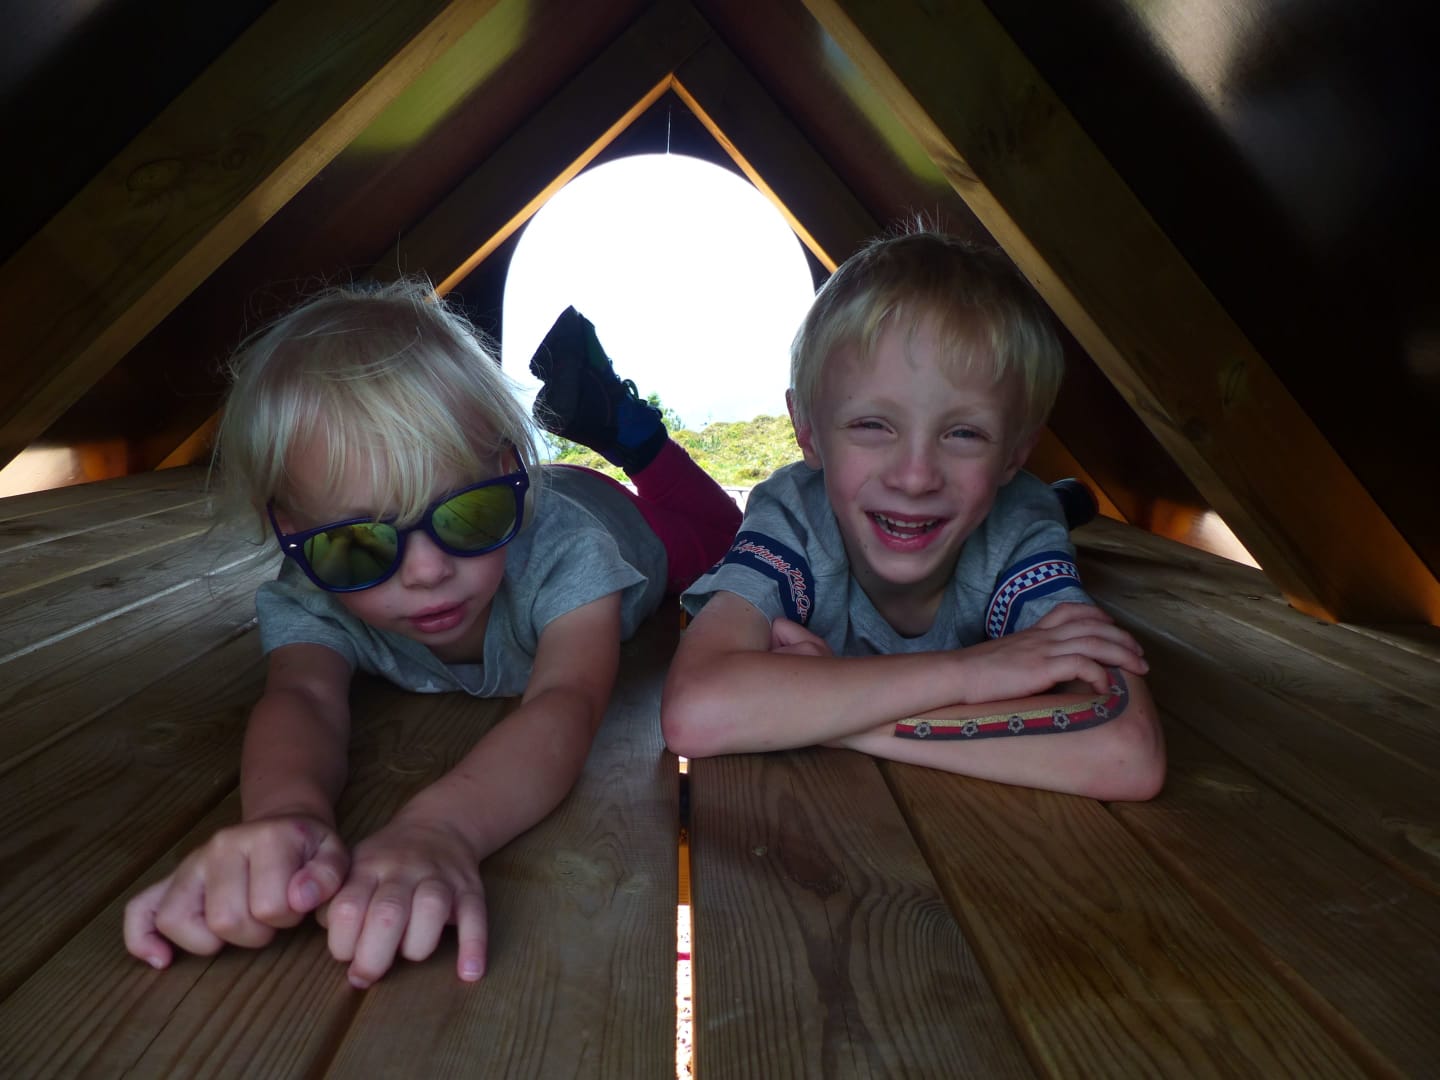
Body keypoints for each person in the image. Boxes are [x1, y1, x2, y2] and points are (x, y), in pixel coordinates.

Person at [123, 285, 741, 987]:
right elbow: (302, 698)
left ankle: (633, 436)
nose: (426, 572)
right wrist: (284, 813)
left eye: (469, 515)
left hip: (615, 519)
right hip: (529, 487)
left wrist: (442, 827)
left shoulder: (569, 555)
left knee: (726, 535)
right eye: (359, 542)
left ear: (506, 476)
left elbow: (565, 700)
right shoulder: (313, 592)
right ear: (292, 534)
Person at [661, 230, 1164, 800]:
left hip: (1031, 505)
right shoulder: (796, 517)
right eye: (872, 425)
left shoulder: (1016, 526)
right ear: (807, 429)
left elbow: (1125, 751)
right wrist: (971, 672)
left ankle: (1067, 500)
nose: (916, 476)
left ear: (1015, 453)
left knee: (1053, 504)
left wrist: (821, 714)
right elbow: (696, 711)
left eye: (965, 433)